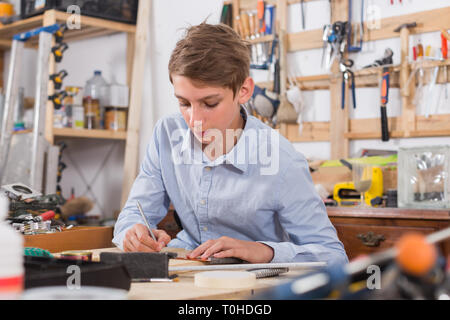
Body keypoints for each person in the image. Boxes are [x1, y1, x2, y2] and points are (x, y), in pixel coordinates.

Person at [113, 23, 348, 265]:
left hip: (255, 287)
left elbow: (334, 257)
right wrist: (133, 233)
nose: (194, 120)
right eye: (184, 103)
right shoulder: (166, 133)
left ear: (244, 91)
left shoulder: (282, 160)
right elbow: (133, 214)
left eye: (210, 103)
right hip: (186, 269)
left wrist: (262, 251)